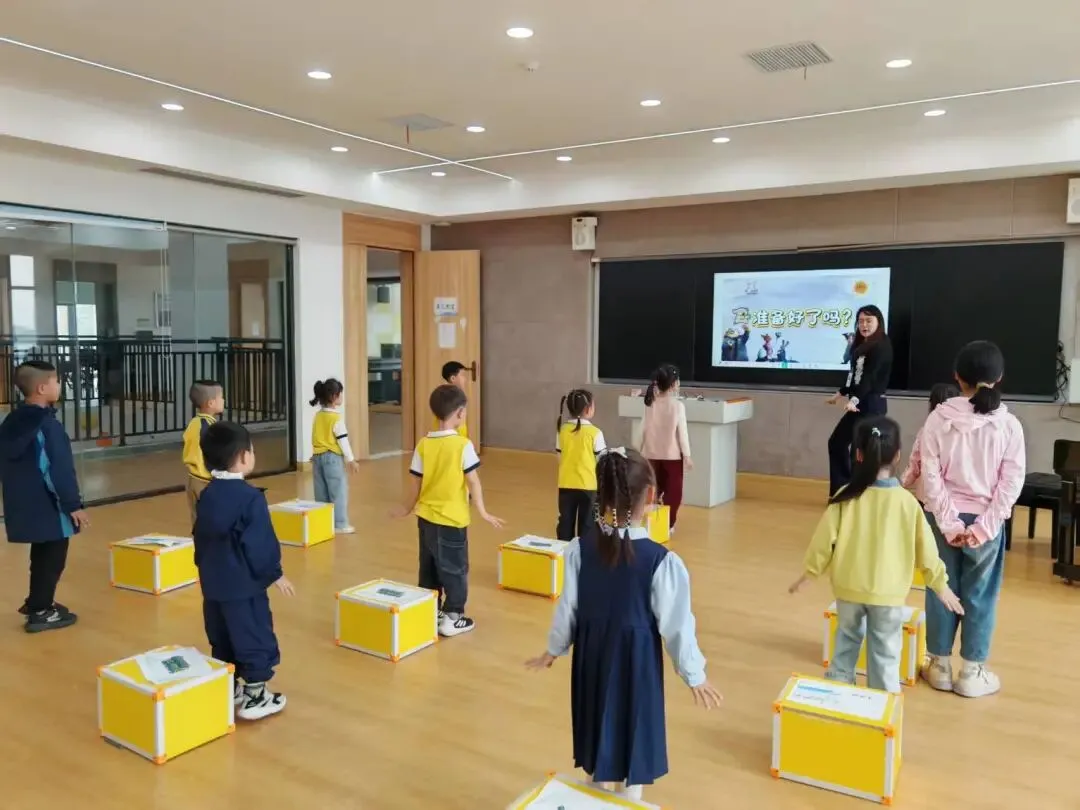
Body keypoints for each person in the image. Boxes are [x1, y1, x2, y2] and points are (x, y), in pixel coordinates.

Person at [525, 447, 722, 802]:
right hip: (636, 663)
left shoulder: (579, 550)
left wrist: (553, 649)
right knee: (634, 744)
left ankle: (594, 798)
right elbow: (677, 626)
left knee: (596, 740)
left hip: (593, 658)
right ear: (651, 496)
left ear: (601, 496)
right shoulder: (661, 561)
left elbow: (567, 610)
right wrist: (695, 674)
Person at [790, 417, 963, 693]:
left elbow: (823, 541)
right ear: (897, 455)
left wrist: (810, 573)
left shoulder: (845, 496)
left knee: (844, 648)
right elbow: (927, 551)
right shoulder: (907, 503)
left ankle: (838, 699)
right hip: (887, 595)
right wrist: (940, 585)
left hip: (848, 590)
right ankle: (882, 706)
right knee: (884, 656)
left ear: (858, 454)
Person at [917, 341, 1025, 698]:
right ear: (999, 377)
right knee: (981, 594)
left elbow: (930, 476)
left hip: (942, 520)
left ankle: (939, 666)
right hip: (985, 525)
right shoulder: (1009, 425)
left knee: (940, 588)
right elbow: (1011, 484)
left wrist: (949, 524)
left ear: (956, 377)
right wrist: (983, 528)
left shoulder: (937, 418)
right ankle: (972, 672)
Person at [194, 421, 294, 720]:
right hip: (243, 586)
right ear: (242, 457)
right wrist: (275, 573)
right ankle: (255, 695)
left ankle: (229, 686)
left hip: (213, 584)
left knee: (222, 634)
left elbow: (200, 537)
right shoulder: (250, 499)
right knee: (253, 633)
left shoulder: (207, 494)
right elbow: (259, 544)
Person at [394, 384, 504, 637]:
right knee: (455, 569)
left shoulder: (423, 444)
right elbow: (473, 481)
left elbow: (415, 484)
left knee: (428, 567)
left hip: (425, 519)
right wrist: (483, 512)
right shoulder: (463, 445)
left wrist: (405, 508)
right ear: (460, 413)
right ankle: (453, 616)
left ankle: (430, 611)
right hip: (452, 521)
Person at [0, 361, 89, 632]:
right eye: (56, 381)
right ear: (42, 388)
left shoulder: (14, 421)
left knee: (42, 552)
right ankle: (41, 611)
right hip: (49, 503)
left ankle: (38, 601)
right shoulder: (46, 426)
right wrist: (73, 505)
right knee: (53, 557)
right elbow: (57, 470)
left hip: (25, 502)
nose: (59, 385)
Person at [826, 305, 893, 497]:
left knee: (859, 451)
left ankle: (857, 493)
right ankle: (842, 488)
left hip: (872, 405)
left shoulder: (882, 345)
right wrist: (841, 392)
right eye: (861, 321)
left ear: (879, 322)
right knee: (837, 443)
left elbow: (870, 378)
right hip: (857, 405)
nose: (864, 325)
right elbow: (854, 375)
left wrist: (854, 400)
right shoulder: (860, 345)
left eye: (869, 321)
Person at [639, 364, 693, 532]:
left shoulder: (650, 403)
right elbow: (682, 433)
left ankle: (651, 522)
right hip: (672, 456)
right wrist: (687, 455)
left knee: (652, 490)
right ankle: (668, 524)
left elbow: (643, 429)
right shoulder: (677, 406)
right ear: (673, 384)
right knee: (673, 493)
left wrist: (638, 450)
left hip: (650, 453)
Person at [309, 378, 359, 534]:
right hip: (332, 459)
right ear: (334, 396)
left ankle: (324, 522)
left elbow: (315, 436)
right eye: (340, 394)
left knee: (321, 492)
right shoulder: (336, 418)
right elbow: (343, 441)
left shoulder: (318, 416)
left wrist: (315, 453)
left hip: (317, 458)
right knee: (338, 491)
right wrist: (351, 460)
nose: (341, 396)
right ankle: (340, 524)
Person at [556, 389, 607, 540]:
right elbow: (602, 461)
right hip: (589, 486)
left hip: (565, 484)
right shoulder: (595, 433)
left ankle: (564, 551)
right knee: (587, 525)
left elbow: (559, 456)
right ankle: (584, 551)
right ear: (588, 409)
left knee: (565, 523)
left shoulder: (562, 430)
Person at [900, 382, 962, 504]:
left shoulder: (926, 431)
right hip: (958, 499)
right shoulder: (966, 432)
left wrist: (900, 484)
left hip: (928, 497)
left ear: (932, 404)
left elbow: (915, 465)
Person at [183, 380, 225, 527]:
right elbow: (212, 455)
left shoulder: (194, 423)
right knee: (213, 518)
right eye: (221, 397)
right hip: (206, 480)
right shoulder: (210, 427)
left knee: (197, 519)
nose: (223, 400)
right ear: (211, 403)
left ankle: (199, 540)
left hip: (192, 478)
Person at [434, 361, 469, 438]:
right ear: (453, 378)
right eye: (462, 375)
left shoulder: (458, 395)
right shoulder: (447, 396)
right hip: (450, 437)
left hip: (457, 437)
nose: (465, 379)